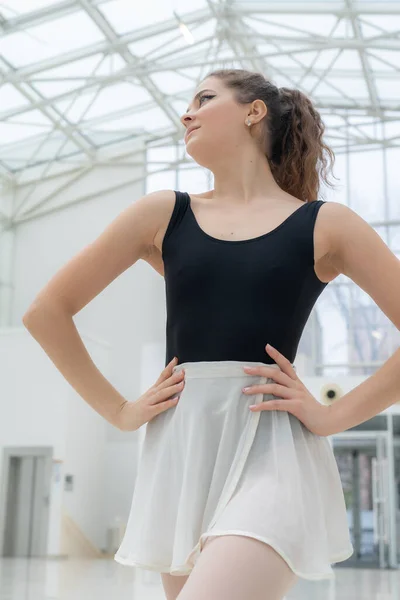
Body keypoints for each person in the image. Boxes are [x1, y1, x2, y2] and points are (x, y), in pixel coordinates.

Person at [22, 69, 356, 600]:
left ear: (254, 112)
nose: (186, 113)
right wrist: (120, 411)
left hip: (273, 449)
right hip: (182, 453)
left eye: (204, 98)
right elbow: (46, 312)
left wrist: (334, 414)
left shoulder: (325, 224)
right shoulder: (165, 213)